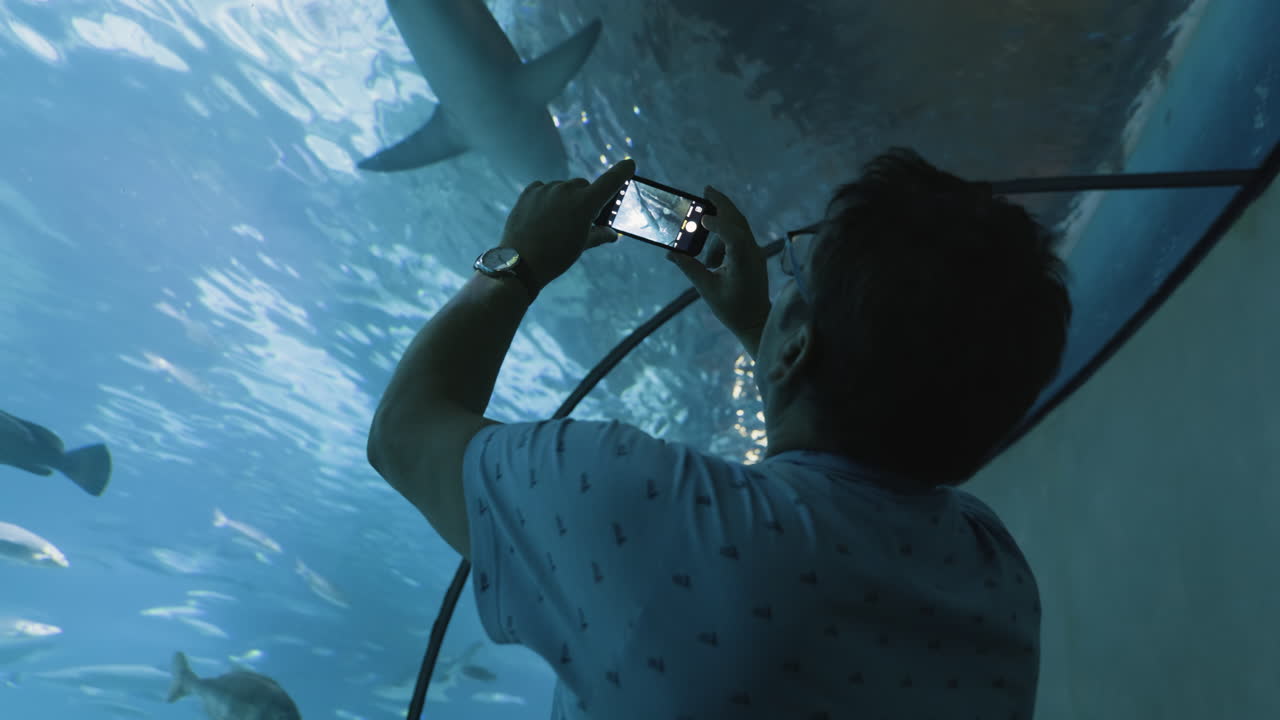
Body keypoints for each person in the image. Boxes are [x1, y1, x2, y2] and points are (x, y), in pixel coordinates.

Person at [370, 148, 1072, 719]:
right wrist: (767, 329)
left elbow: (402, 432)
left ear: (797, 347)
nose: (784, 271)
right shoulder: (994, 579)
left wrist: (518, 261)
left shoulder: (645, 508)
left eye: (798, 264)